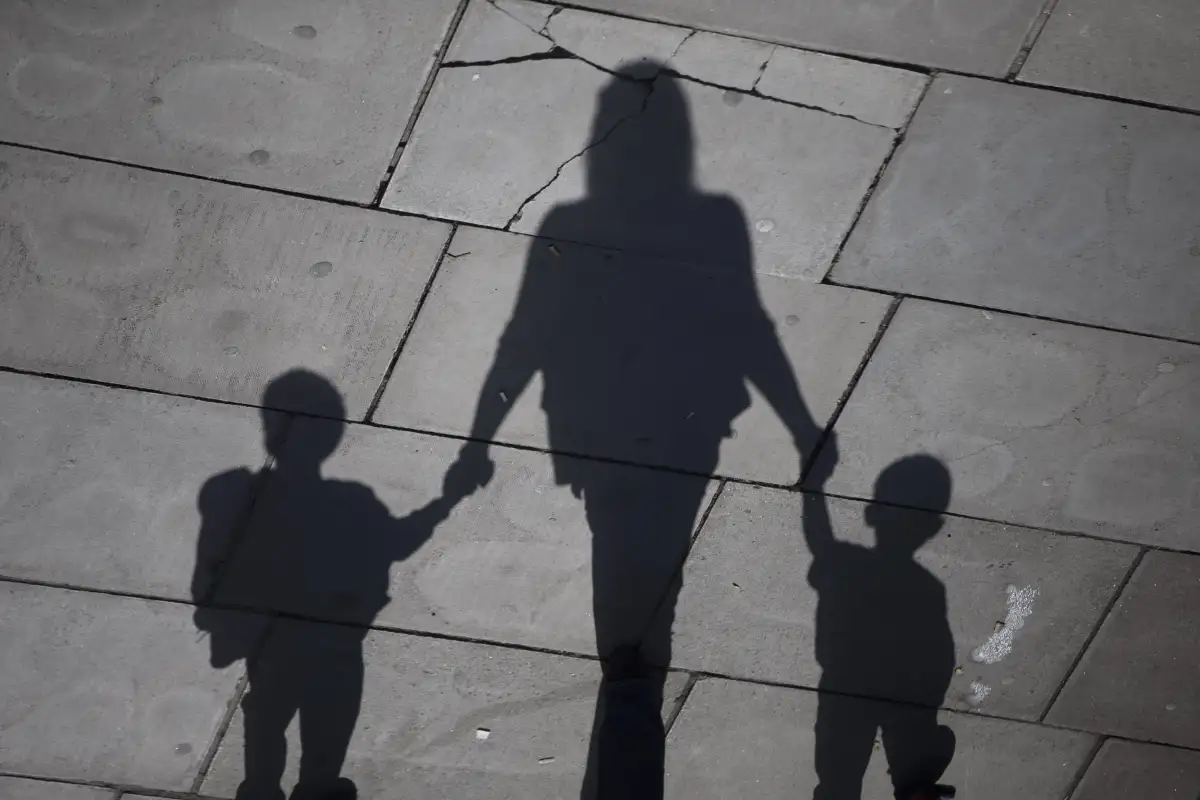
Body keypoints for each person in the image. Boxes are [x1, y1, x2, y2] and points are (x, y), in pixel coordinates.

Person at [445, 64, 823, 800]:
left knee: (623, 538)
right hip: (680, 415)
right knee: (643, 539)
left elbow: (527, 335)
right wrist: (799, 421)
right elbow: (747, 323)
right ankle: (627, 672)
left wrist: (481, 438)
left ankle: (629, 674)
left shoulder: (575, 224)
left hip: (603, 420)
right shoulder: (708, 218)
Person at [192, 370, 474, 800]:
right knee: (325, 734)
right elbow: (397, 542)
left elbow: (210, 567)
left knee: (267, 719)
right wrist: (446, 501)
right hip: (337, 641)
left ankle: (265, 790)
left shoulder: (238, 494)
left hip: (276, 640)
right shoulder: (352, 500)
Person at [803, 453, 956, 800]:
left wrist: (813, 488)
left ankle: (915, 786)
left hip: (845, 681)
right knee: (902, 749)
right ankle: (915, 788)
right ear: (933, 528)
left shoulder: (849, 564)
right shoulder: (928, 587)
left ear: (871, 513)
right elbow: (939, 653)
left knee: (837, 774)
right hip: (897, 685)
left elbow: (819, 541)